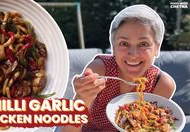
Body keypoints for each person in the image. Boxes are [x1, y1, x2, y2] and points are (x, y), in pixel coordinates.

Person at [59, 4, 176, 132]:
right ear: (113, 46)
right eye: (124, 43)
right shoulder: (100, 71)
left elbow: (153, 125)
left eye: (143, 44)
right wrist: (82, 98)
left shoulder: (162, 84)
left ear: (157, 48)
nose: (133, 54)